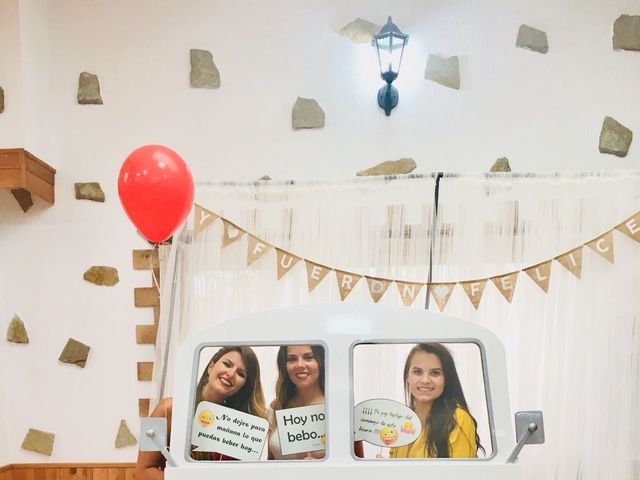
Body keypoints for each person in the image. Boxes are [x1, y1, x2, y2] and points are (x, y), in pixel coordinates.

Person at [136, 346, 267, 480]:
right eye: (227, 364)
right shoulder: (164, 407)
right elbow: (141, 471)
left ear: (244, 386)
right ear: (211, 367)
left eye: (241, 374)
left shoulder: (244, 426)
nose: (231, 373)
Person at [267, 345, 365, 459]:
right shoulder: (276, 407)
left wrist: (321, 468)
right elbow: (270, 463)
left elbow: (357, 467)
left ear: (321, 361)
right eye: (292, 359)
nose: (300, 365)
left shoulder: (341, 408)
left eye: (309, 357)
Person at [389, 343, 483, 458]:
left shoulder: (458, 420)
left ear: (446, 379)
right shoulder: (401, 421)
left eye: (435, 373)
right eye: (418, 372)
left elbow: (460, 474)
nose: (425, 380)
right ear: (407, 376)